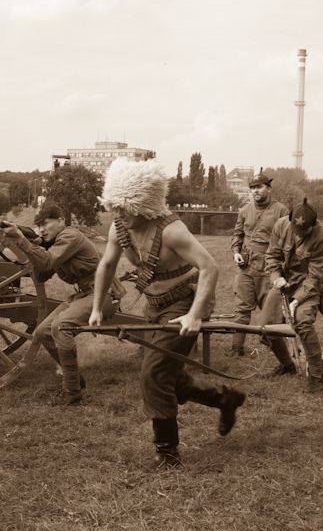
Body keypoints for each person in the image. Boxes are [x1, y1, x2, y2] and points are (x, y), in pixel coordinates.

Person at [89, 158, 247, 470]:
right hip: (154, 306)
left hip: (184, 305)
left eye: (122, 206)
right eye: (113, 206)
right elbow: (107, 264)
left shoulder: (172, 231)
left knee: (154, 374)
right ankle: (225, 398)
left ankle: (168, 455)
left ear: (143, 203)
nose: (116, 213)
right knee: (167, 377)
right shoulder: (119, 227)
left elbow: (209, 267)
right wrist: (96, 308)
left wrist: (195, 316)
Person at [0, 201, 120, 405]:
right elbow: (41, 274)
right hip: (86, 293)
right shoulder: (54, 244)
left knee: (60, 327)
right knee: (43, 331)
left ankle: (72, 392)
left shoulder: (70, 236)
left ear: (61, 221)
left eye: (46, 224)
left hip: (104, 293)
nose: (42, 229)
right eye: (38, 226)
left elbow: (47, 261)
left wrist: (22, 239)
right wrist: (34, 246)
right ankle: (75, 378)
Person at [261, 198, 323, 392]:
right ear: (290, 220)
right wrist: (276, 277)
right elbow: (273, 256)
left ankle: (318, 377)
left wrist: (296, 301)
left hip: (309, 284)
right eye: (296, 229)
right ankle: (287, 365)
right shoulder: (281, 225)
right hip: (285, 281)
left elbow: (316, 277)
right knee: (267, 325)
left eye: (303, 231)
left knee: (302, 321)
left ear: (313, 225)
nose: (299, 233)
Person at [227, 169, 290, 357]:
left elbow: (287, 241)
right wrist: (236, 252)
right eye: (252, 188)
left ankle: (284, 354)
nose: (255, 191)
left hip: (269, 269)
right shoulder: (245, 210)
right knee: (241, 309)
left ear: (269, 188)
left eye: (259, 187)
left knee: (272, 314)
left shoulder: (282, 210)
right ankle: (237, 348)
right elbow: (237, 234)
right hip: (246, 267)